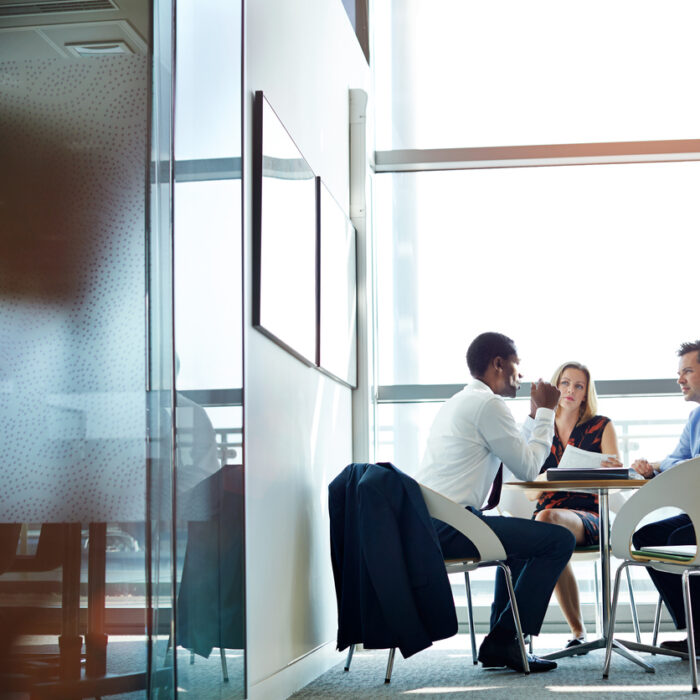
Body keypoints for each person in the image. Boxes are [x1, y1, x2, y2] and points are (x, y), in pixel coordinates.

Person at [416, 332, 576, 673]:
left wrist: (534, 416)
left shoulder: (464, 401)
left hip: (433, 524)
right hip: (452, 526)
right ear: (499, 364)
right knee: (558, 540)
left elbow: (514, 448)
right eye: (517, 365)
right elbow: (530, 467)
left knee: (520, 544)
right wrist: (547, 411)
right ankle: (505, 639)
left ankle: (503, 642)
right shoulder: (488, 405)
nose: (521, 374)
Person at [527, 362, 622, 652]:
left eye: (578, 386)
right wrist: (549, 477)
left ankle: (575, 631)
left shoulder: (601, 425)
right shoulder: (539, 427)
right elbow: (531, 494)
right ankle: (577, 632)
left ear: (585, 394)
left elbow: (615, 483)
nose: (570, 390)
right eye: (565, 383)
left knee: (547, 522)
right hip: (547, 511)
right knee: (547, 521)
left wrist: (611, 469)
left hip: (590, 514)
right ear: (555, 388)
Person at [631, 340, 700, 654]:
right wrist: (653, 468)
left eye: (687, 370)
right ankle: (695, 627)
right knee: (648, 536)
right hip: (695, 510)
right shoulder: (695, 419)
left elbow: (684, 465)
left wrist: (666, 464)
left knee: (677, 538)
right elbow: (678, 461)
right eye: (679, 372)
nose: (680, 379)